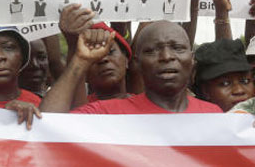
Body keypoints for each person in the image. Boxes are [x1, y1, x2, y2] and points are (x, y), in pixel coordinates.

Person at [41, 21, 222, 114]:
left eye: (178, 48)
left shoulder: (213, 115)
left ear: (192, 61)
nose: (167, 57)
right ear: (137, 64)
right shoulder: (107, 113)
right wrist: (80, 60)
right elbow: (44, 127)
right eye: (152, 50)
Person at [194, 39, 255, 112]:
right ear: (205, 91)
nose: (239, 90)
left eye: (245, 81)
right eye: (225, 84)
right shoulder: (191, 120)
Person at [86, 22, 132, 102]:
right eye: (93, 56)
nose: (103, 59)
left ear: (126, 60)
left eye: (110, 52)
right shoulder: (74, 111)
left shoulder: (150, 107)